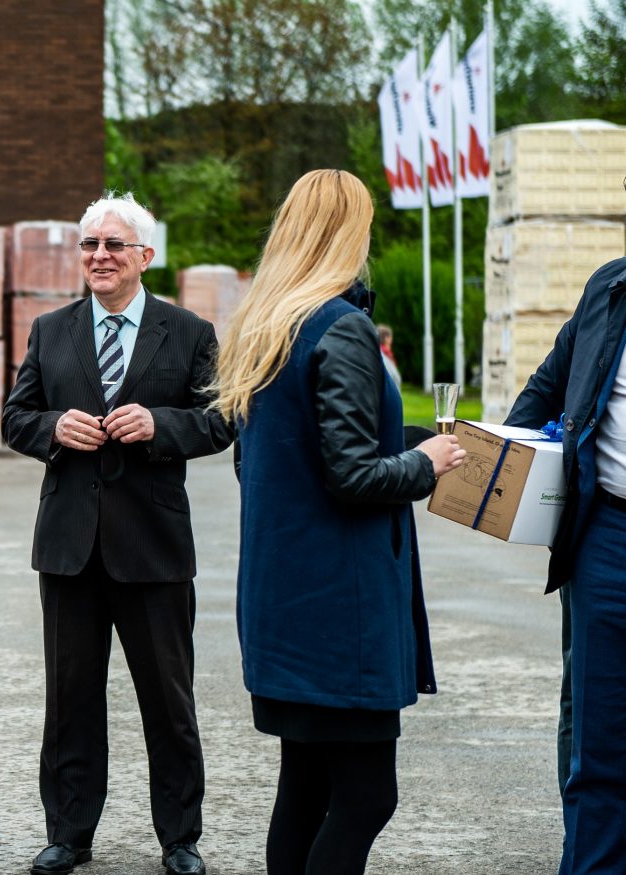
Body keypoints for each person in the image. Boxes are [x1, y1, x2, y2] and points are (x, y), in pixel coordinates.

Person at [210, 169, 464, 874]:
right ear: (348, 231)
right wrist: (429, 460)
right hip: (340, 610)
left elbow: (285, 451)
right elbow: (351, 473)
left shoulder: (266, 328)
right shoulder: (343, 328)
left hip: (283, 599)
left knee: (305, 786)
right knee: (363, 797)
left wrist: (408, 434)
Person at [1, 192, 233, 875]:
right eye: (89, 246)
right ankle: (69, 833)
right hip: (70, 546)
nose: (98, 256)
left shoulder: (188, 332)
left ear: (144, 256)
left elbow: (221, 419)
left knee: (168, 698)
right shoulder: (50, 330)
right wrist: (53, 429)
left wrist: (163, 426)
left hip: (153, 548)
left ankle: (180, 836)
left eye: (112, 245)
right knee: (70, 696)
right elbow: (15, 418)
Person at [504, 251, 626, 874]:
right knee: (597, 737)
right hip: (607, 531)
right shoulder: (610, 284)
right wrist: (494, 467)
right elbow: (551, 385)